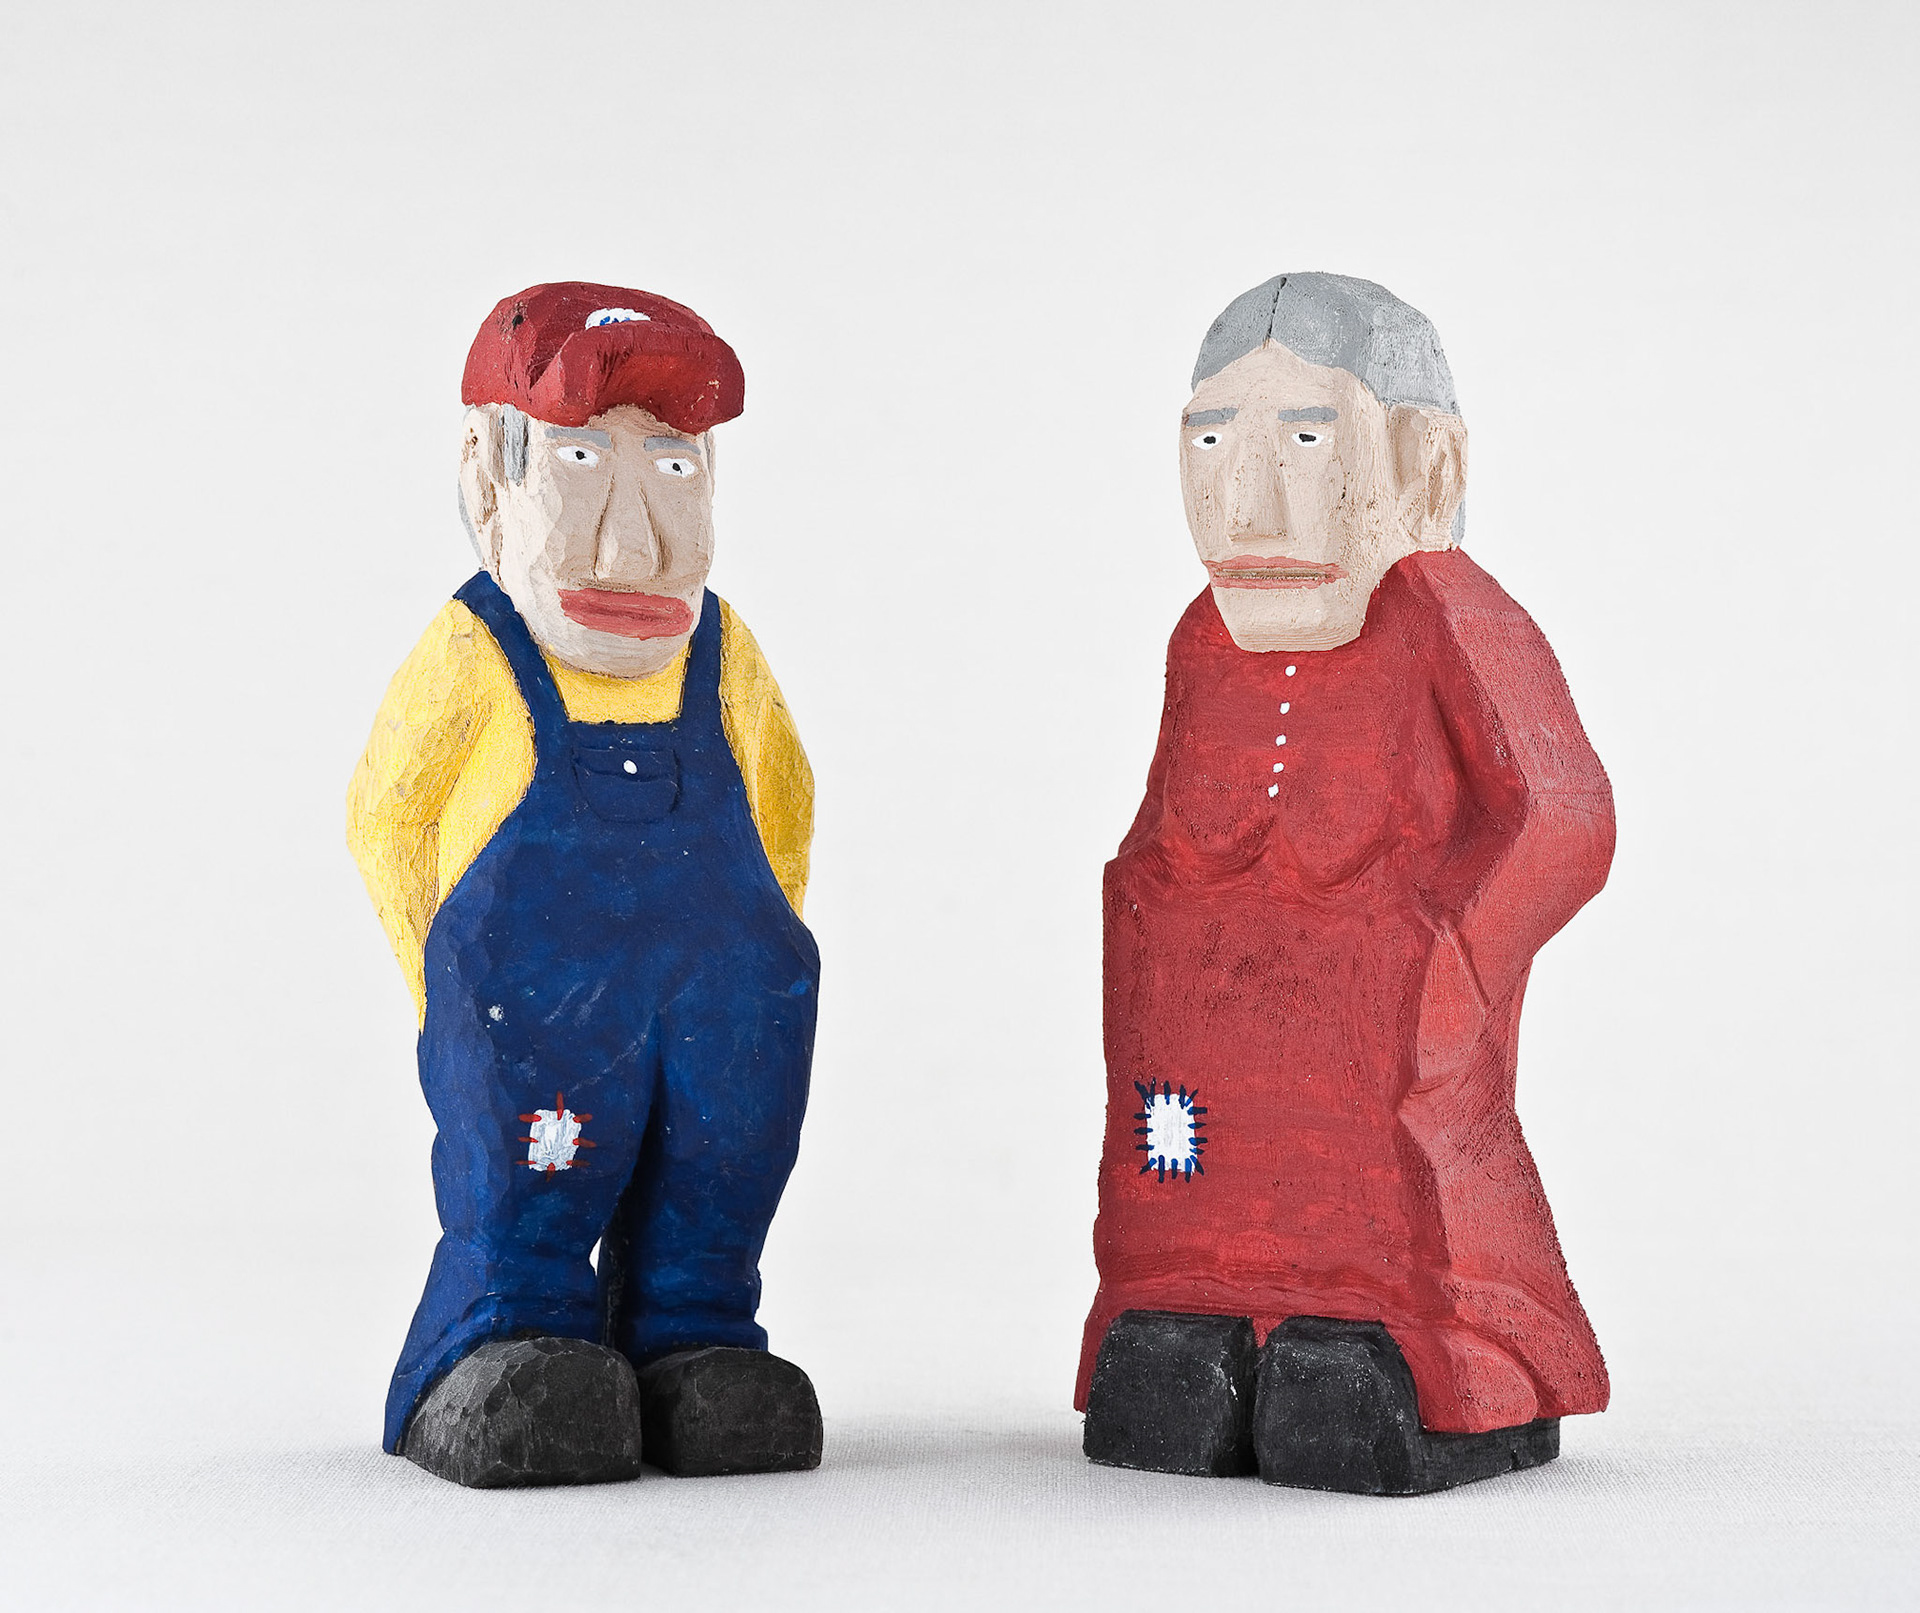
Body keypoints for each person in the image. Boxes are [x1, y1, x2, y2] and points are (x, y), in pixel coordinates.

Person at [1078, 274, 1614, 1495]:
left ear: (1425, 464)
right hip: (1195, 1052)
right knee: (1183, 1184)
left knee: (1386, 1209)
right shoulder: (1203, 638)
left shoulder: (1446, 615)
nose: (1249, 501)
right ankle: (1192, 1314)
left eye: (1309, 441)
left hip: (1382, 1053)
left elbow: (1566, 818)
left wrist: (1450, 963)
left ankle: (1405, 1351)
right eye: (1210, 444)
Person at [347, 282, 822, 1487]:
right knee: (533, 1183)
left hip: (718, 1008)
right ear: (486, 477)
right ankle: (501, 1337)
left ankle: (694, 1335)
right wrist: (451, 989)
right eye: (576, 462)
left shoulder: (725, 653)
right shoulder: (476, 650)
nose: (632, 543)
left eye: (673, 469)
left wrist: (757, 957)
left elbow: (783, 802)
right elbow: (390, 817)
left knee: (723, 1161)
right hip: (535, 1016)